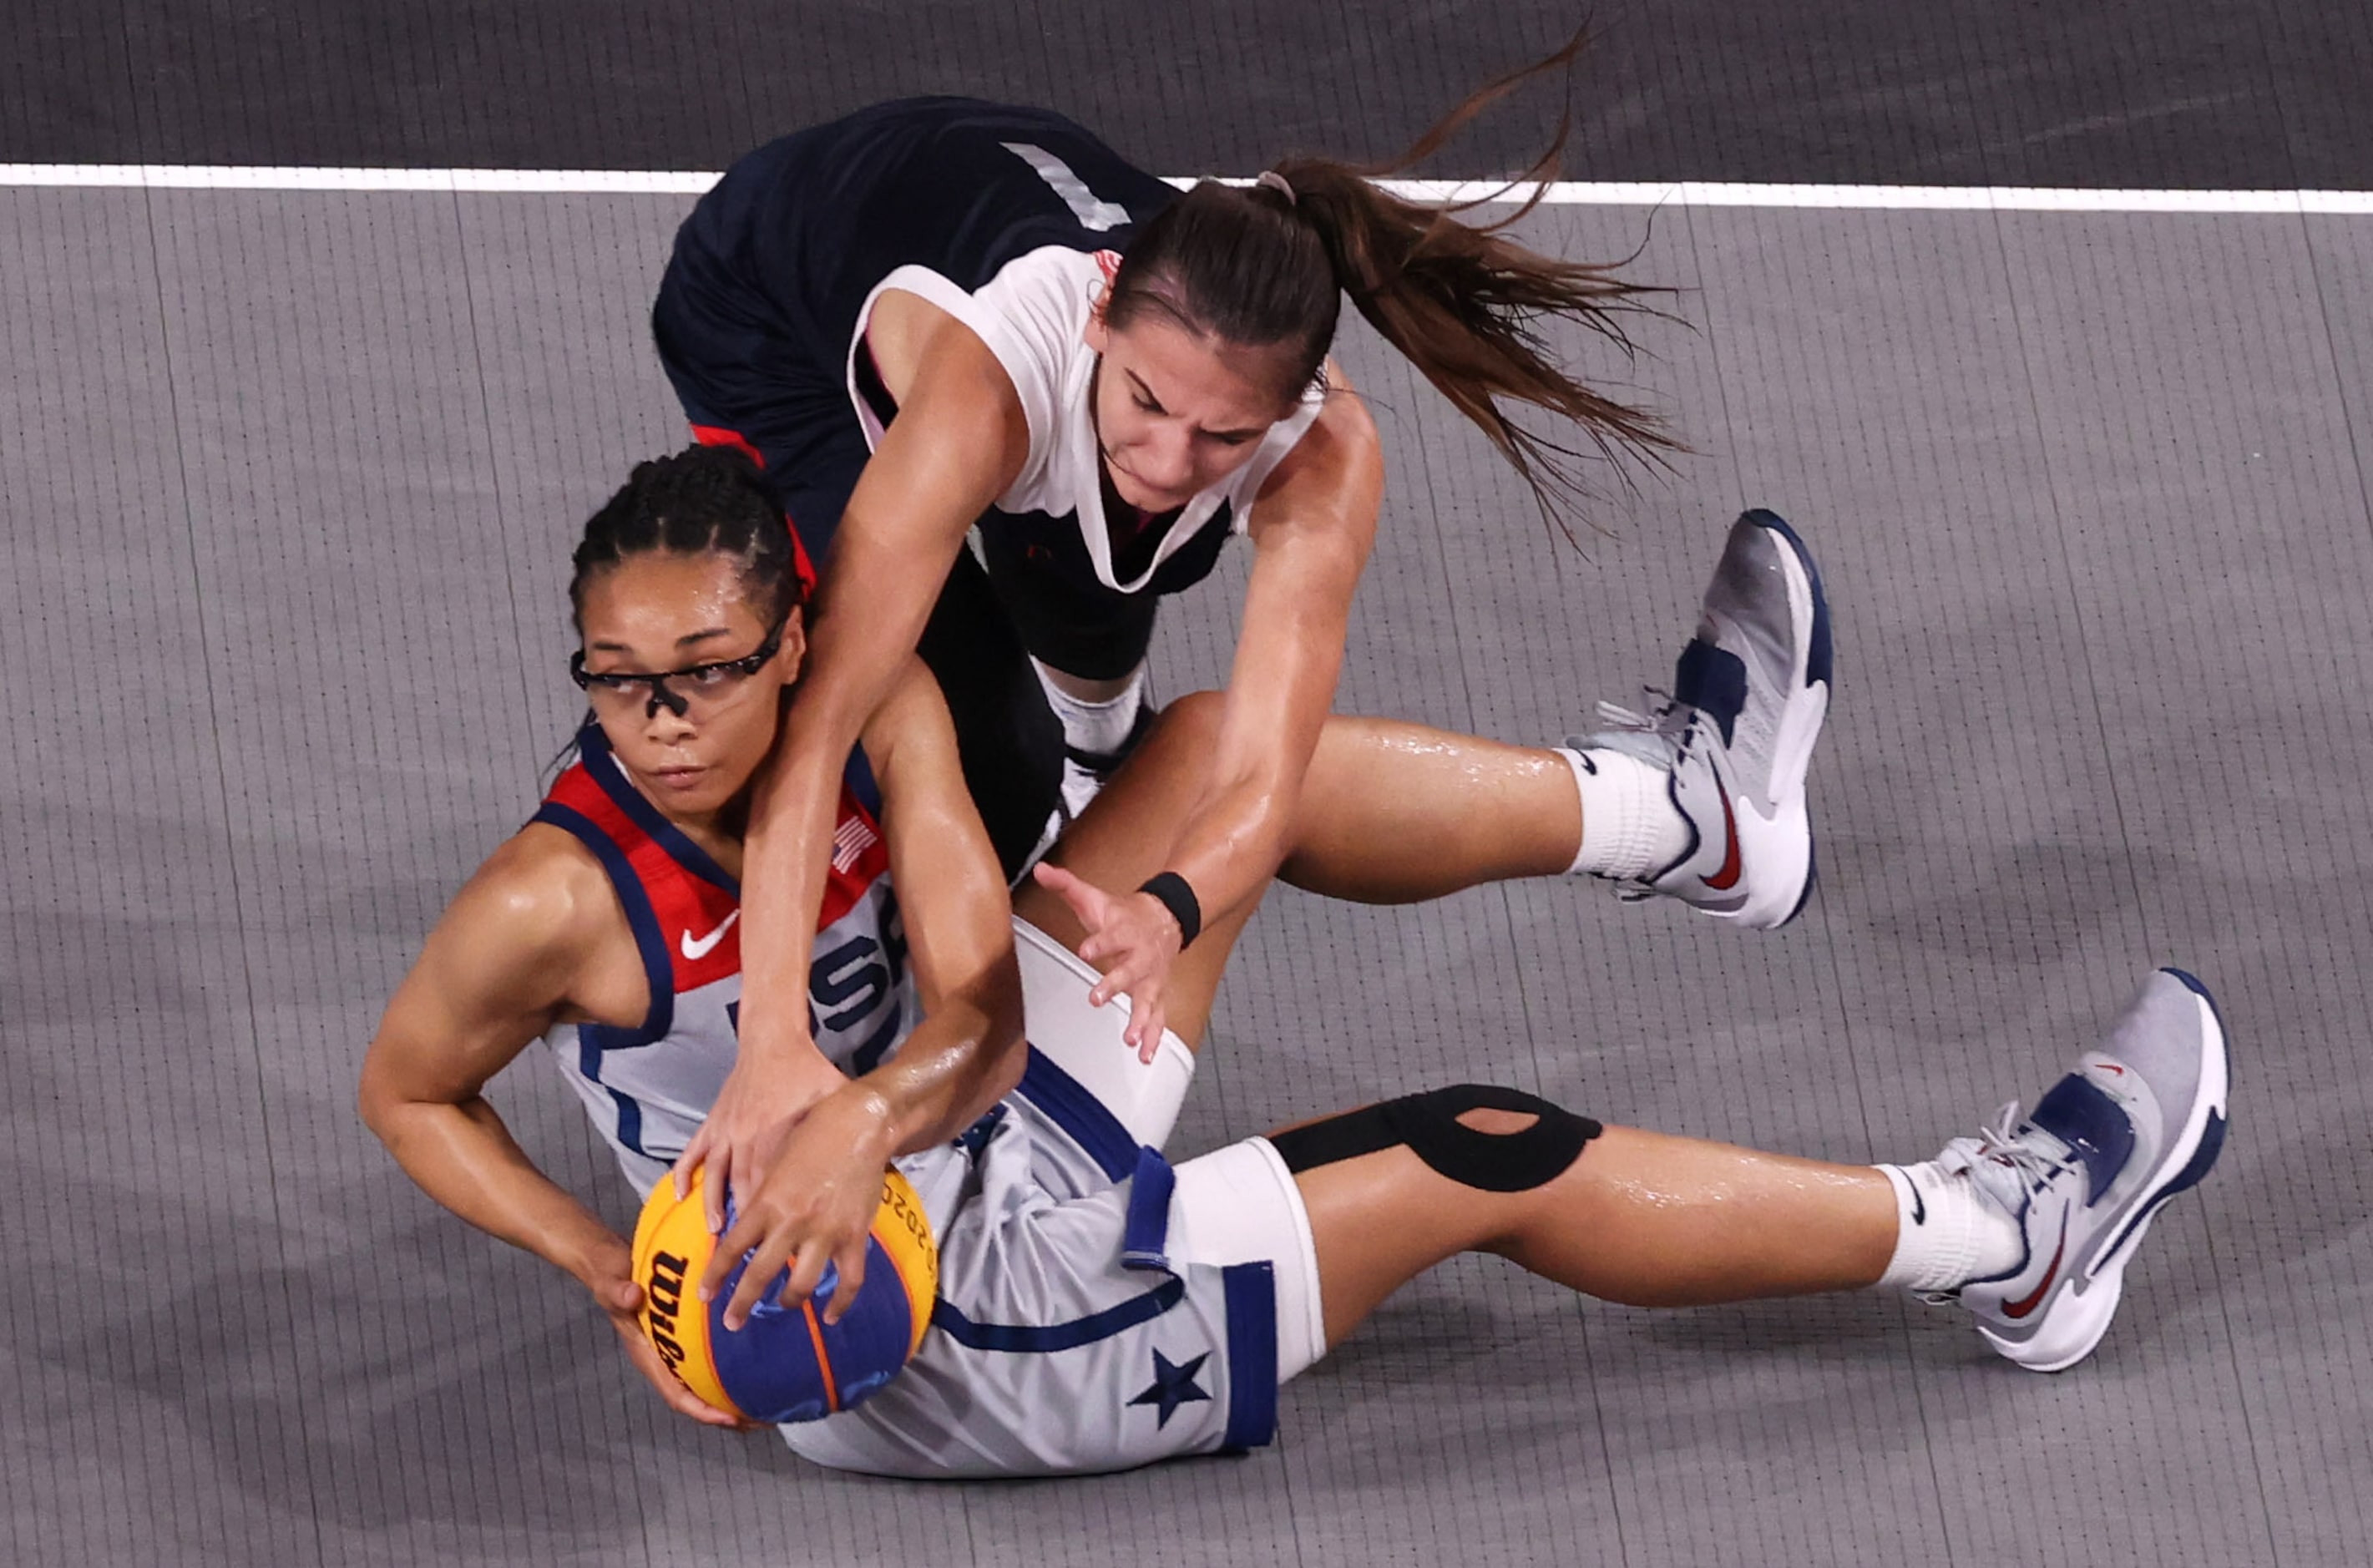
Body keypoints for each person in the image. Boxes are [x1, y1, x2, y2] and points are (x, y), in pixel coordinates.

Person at [359, 448, 2229, 1476]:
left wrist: (859, 1111)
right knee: (1479, 1147)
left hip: (956, 1122)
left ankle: (1690, 819)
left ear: (800, 650)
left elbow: (975, 1012)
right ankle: (2004, 1247)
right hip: (954, 1325)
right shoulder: (552, 900)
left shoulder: (877, 706)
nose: (657, 718)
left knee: (1209, 770)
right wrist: (601, 1261)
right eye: (614, 678)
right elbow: (408, 1088)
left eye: (701, 670)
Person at [649, 38, 1756, 1213]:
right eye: (1147, 402)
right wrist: (773, 1040)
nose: (1171, 458)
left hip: (986, 243)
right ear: (1098, 329)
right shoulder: (988, 389)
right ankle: (899, 938)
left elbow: (1262, 784)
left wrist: (1165, 906)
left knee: (1104, 552)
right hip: (772, 312)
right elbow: (817, 734)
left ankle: (1096, 755)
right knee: (981, 751)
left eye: (1223, 438)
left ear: (1289, 407)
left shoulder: (1323, 456)